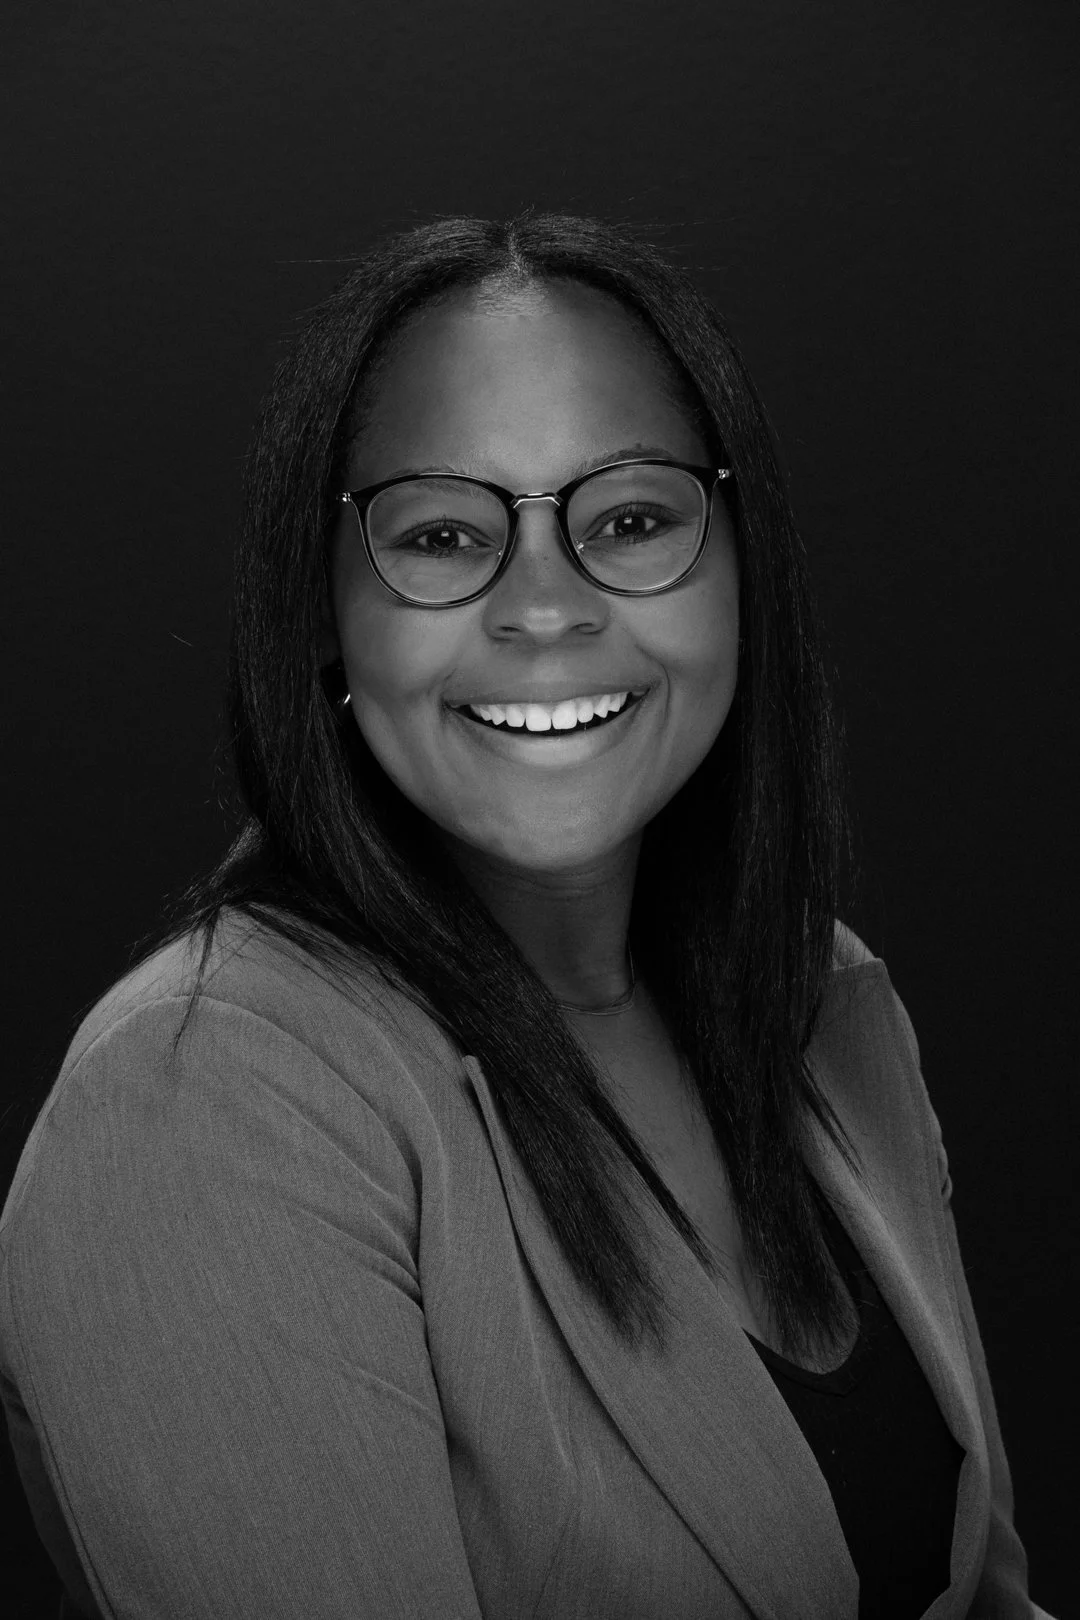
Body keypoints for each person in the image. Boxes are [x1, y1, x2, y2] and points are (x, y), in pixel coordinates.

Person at [0, 212, 1052, 1620]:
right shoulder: (205, 1099)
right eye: (443, 533)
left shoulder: (826, 1000)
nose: (546, 608)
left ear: (743, 565)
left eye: (629, 519)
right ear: (323, 614)